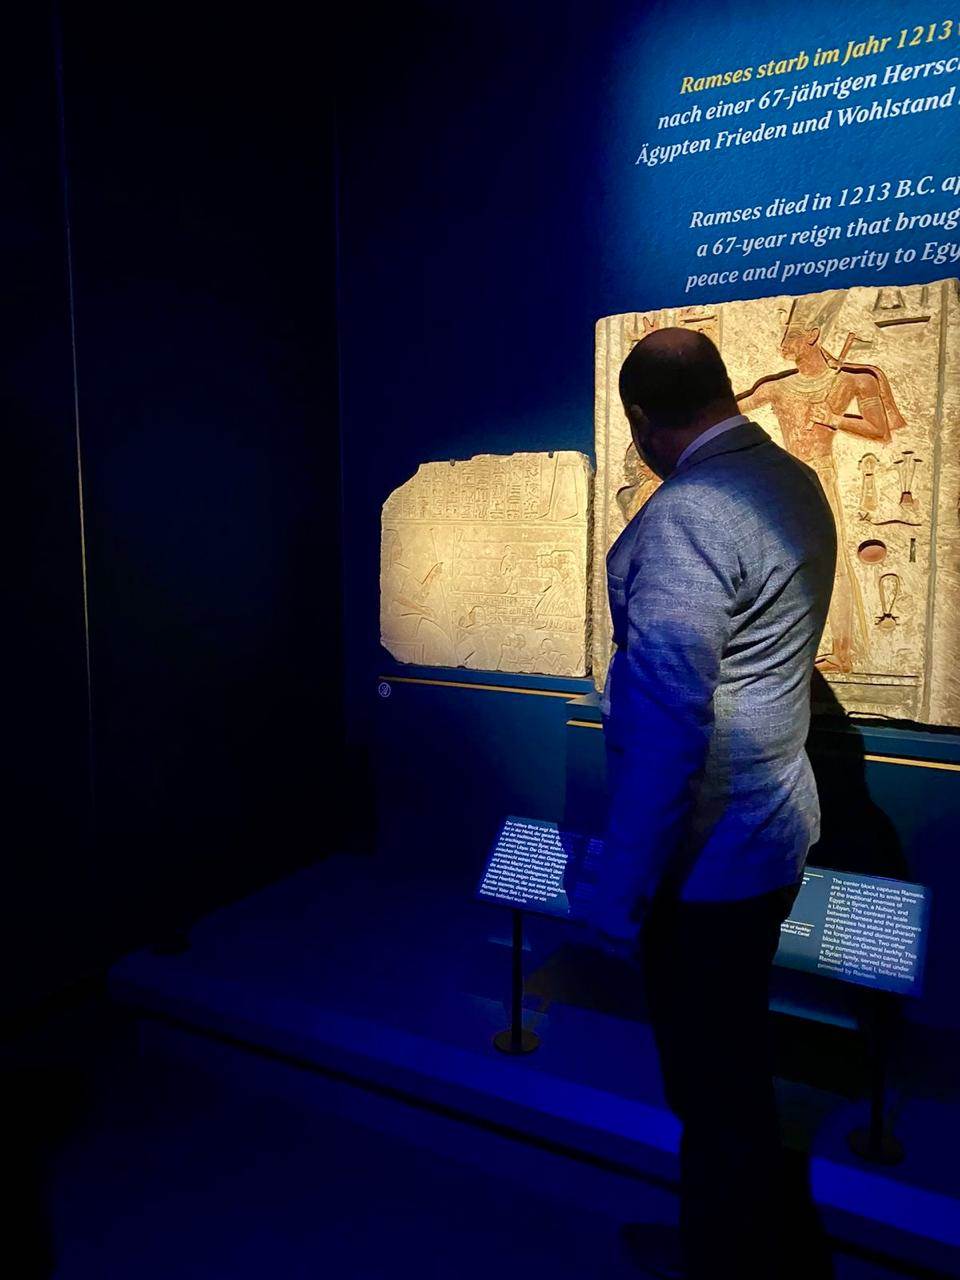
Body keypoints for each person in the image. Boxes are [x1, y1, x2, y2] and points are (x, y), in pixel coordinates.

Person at [583, 327, 836, 1279]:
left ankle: (729, 1262)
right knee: (735, 1072)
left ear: (641, 419)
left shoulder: (690, 516)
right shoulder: (790, 480)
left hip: (709, 863)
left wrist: (619, 894)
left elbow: (666, 727)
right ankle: (733, 1242)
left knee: (713, 1089)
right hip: (773, 830)